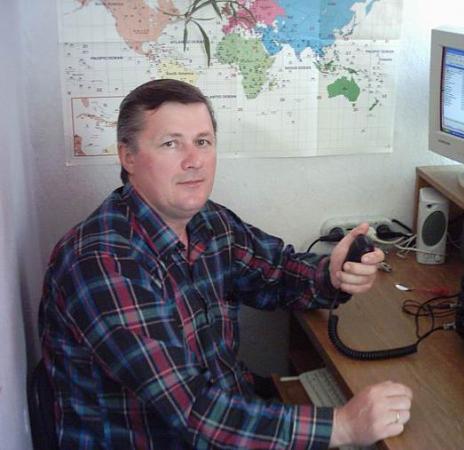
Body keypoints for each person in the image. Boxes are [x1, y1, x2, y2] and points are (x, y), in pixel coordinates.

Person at [39, 79, 412, 449]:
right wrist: (344, 426)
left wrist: (330, 275)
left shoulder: (208, 222)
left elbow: (277, 272)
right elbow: (195, 413)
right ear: (128, 157)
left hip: (227, 417)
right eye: (171, 143)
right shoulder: (101, 263)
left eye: (203, 142)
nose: (194, 160)